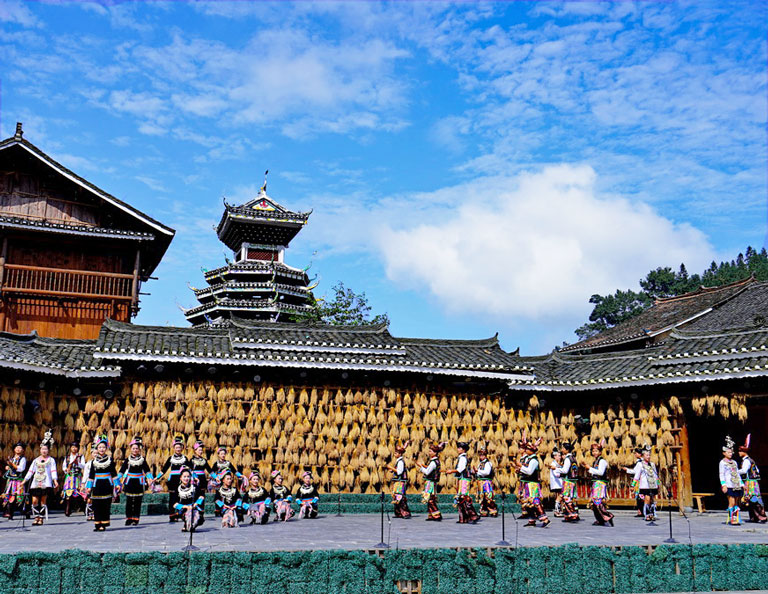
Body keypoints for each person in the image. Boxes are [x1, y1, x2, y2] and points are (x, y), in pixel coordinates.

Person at [23, 430, 58, 526]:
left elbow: (53, 470)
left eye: (46, 449)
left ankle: (41, 518)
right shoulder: (35, 460)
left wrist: (55, 480)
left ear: (48, 450)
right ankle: (35, 517)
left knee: (43, 501)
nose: (44, 451)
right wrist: (24, 481)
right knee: (34, 500)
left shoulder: (51, 460)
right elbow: (31, 471)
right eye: (42, 449)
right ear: (40, 450)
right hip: (35, 482)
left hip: (45, 482)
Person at [85, 434, 118, 532]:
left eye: (104, 447)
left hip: (107, 485)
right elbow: (91, 476)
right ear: (97, 448)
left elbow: (114, 474)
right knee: (97, 505)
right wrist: (88, 487)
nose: (102, 449)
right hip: (97, 486)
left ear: (106, 448)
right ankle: (97, 523)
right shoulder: (93, 462)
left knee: (105, 505)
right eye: (100, 447)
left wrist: (117, 484)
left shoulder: (110, 460)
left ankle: (103, 524)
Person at [117, 436, 153, 526]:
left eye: (137, 448)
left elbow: (147, 470)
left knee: (137, 501)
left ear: (139, 450)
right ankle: (129, 518)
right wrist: (116, 479)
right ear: (130, 449)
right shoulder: (127, 460)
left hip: (139, 483)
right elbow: (122, 470)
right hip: (129, 482)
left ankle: (136, 518)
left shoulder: (142, 460)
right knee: (129, 501)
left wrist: (150, 479)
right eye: (133, 448)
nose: (135, 450)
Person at [516, 435, 550, 527]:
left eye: (527, 449)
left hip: (532, 484)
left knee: (535, 502)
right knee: (527, 503)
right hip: (527, 484)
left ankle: (544, 518)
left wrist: (520, 466)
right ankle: (532, 520)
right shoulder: (528, 459)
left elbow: (529, 471)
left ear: (531, 451)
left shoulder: (534, 460)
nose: (525, 450)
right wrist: (519, 470)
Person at [445, 441, 479, 524]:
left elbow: (461, 469)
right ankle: (464, 518)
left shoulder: (463, 458)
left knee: (463, 497)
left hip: (464, 479)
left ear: (463, 450)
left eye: (459, 448)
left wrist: (451, 471)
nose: (458, 449)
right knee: (461, 497)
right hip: (462, 479)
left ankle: (473, 515)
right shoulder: (462, 458)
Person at [158, 435, 188, 522]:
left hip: (182, 481)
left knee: (182, 497)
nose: (178, 449)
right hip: (173, 481)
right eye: (176, 447)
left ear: (182, 448)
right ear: (174, 448)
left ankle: (181, 514)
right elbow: (164, 470)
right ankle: (172, 515)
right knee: (173, 498)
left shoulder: (185, 458)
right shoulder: (170, 459)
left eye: (179, 447)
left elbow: (189, 469)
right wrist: (157, 477)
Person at [738, 434, 767, 523]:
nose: (739, 453)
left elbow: (744, 471)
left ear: (744, 452)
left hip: (750, 482)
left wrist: (735, 471)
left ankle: (760, 516)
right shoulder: (751, 460)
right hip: (753, 481)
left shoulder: (747, 461)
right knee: (752, 500)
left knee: (753, 499)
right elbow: (757, 470)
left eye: (740, 451)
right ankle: (755, 517)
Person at [584, 440, 614, 527]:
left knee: (598, 502)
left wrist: (589, 468)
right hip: (596, 483)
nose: (594, 452)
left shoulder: (602, 461)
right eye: (593, 451)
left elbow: (600, 472)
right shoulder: (596, 461)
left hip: (600, 484)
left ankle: (607, 517)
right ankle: (600, 519)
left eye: (596, 451)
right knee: (594, 503)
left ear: (600, 452)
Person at [718, 435, 743, 526]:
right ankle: (731, 518)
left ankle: (736, 518)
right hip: (729, 484)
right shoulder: (722, 462)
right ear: (724, 453)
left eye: (731, 452)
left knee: (736, 502)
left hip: (736, 484)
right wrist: (723, 484)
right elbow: (722, 474)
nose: (730, 454)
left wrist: (741, 483)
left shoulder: (734, 462)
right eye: (728, 452)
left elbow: (737, 473)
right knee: (731, 501)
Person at [419, 442, 445, 521]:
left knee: (430, 499)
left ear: (435, 452)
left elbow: (427, 472)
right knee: (430, 498)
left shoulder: (433, 462)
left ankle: (437, 515)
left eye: (430, 451)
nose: (429, 452)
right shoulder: (434, 461)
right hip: (431, 482)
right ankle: (431, 515)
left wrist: (421, 467)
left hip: (430, 482)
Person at [634, 444, 659, 522]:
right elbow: (637, 475)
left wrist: (657, 483)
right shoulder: (640, 464)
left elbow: (655, 474)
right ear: (643, 456)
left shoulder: (652, 464)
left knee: (652, 500)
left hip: (652, 484)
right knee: (647, 498)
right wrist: (633, 485)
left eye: (649, 455)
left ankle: (652, 514)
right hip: (645, 485)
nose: (648, 457)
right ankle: (647, 514)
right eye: (647, 455)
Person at [174, 467, 204, 533]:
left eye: (188, 476)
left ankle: (191, 525)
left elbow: (201, 496)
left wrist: (195, 504)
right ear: (181, 478)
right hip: (184, 508)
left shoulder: (194, 487)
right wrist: (186, 507)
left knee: (197, 516)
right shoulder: (177, 489)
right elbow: (175, 503)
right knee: (188, 513)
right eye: (184, 477)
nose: (186, 478)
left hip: (194, 507)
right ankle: (187, 524)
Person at [2, 442, 27, 520]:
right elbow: (11, 468)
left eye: (20, 448)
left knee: (19, 496)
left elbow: (21, 468)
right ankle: (9, 512)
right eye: (17, 448)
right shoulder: (12, 458)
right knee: (9, 495)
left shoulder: (23, 459)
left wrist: (11, 464)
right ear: (14, 449)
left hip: (18, 481)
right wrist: (8, 467)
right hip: (11, 480)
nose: (18, 449)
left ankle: (26, 511)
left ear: (23, 450)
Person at [60, 441, 85, 517]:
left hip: (77, 477)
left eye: (76, 447)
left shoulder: (80, 456)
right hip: (69, 477)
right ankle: (68, 509)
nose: (74, 449)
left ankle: (83, 508)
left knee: (78, 493)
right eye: (73, 447)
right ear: (70, 448)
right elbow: (64, 467)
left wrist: (78, 464)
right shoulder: (67, 457)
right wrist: (66, 470)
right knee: (68, 493)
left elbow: (83, 466)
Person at [387, 442, 411, 519]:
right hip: (398, 481)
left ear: (400, 454)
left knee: (400, 497)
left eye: (396, 453)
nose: (395, 454)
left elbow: (399, 471)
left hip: (400, 482)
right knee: (397, 496)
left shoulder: (400, 462)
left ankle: (405, 512)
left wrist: (391, 468)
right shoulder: (398, 461)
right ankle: (399, 513)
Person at [559, 442, 580, 522]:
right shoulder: (573, 458)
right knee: (570, 497)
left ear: (567, 450)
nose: (562, 449)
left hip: (568, 480)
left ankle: (573, 514)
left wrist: (556, 468)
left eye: (563, 448)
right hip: (573, 480)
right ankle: (570, 514)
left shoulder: (568, 459)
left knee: (567, 498)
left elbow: (565, 470)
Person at [474, 446, 498, 517]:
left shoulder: (488, 463)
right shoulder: (480, 464)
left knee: (488, 496)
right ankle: (483, 510)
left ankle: (492, 509)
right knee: (482, 497)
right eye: (480, 455)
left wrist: (478, 471)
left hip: (486, 482)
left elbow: (487, 472)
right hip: (480, 482)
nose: (481, 457)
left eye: (483, 455)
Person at [624, 447, 644, 518]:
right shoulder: (642, 462)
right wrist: (627, 470)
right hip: (642, 481)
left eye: (636, 453)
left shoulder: (639, 463)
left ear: (640, 454)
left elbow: (636, 473)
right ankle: (642, 511)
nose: (635, 454)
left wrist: (633, 485)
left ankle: (641, 512)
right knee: (641, 497)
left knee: (639, 497)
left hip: (639, 482)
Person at [549, 448, 564, 517]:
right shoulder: (553, 464)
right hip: (557, 482)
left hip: (559, 482)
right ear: (554, 456)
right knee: (559, 496)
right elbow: (556, 474)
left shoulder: (558, 464)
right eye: (558, 455)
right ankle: (557, 510)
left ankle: (560, 510)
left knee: (560, 496)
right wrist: (563, 473)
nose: (559, 457)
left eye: (560, 456)